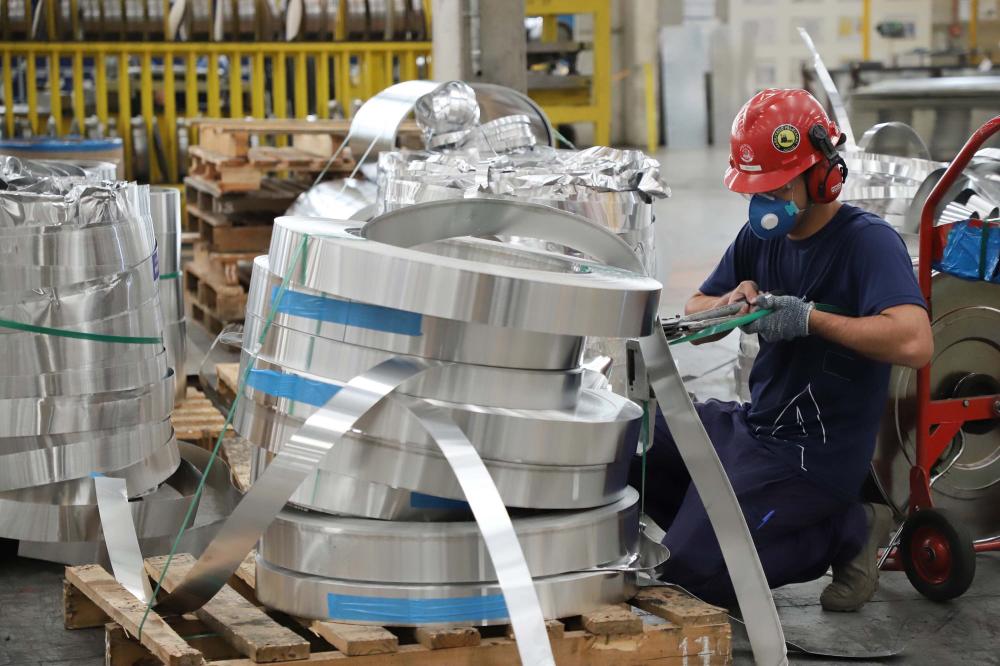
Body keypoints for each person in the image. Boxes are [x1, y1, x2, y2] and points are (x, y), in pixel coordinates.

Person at [632, 89, 933, 611]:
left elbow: (915, 340)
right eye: (756, 188)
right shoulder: (762, 239)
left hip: (812, 455)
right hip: (754, 427)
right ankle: (717, 525)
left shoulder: (867, 243)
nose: (763, 202)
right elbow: (701, 302)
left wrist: (811, 320)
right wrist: (726, 306)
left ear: (823, 176)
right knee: (629, 438)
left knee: (689, 576)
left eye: (776, 185)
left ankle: (848, 527)